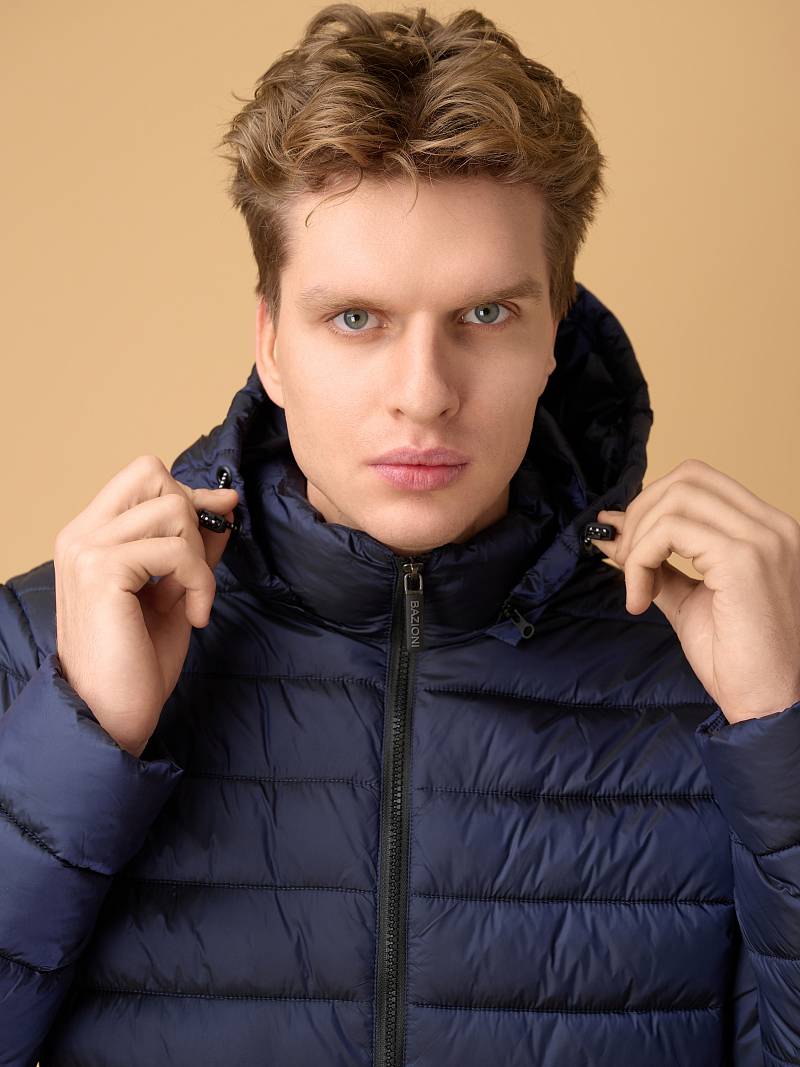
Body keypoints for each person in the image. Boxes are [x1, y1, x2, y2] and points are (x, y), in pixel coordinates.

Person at [2, 5, 799, 1065]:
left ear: (553, 333)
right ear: (269, 341)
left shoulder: (731, 671)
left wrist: (783, 737)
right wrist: (79, 740)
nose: (423, 395)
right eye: (355, 318)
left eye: (484, 315)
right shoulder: (44, 647)